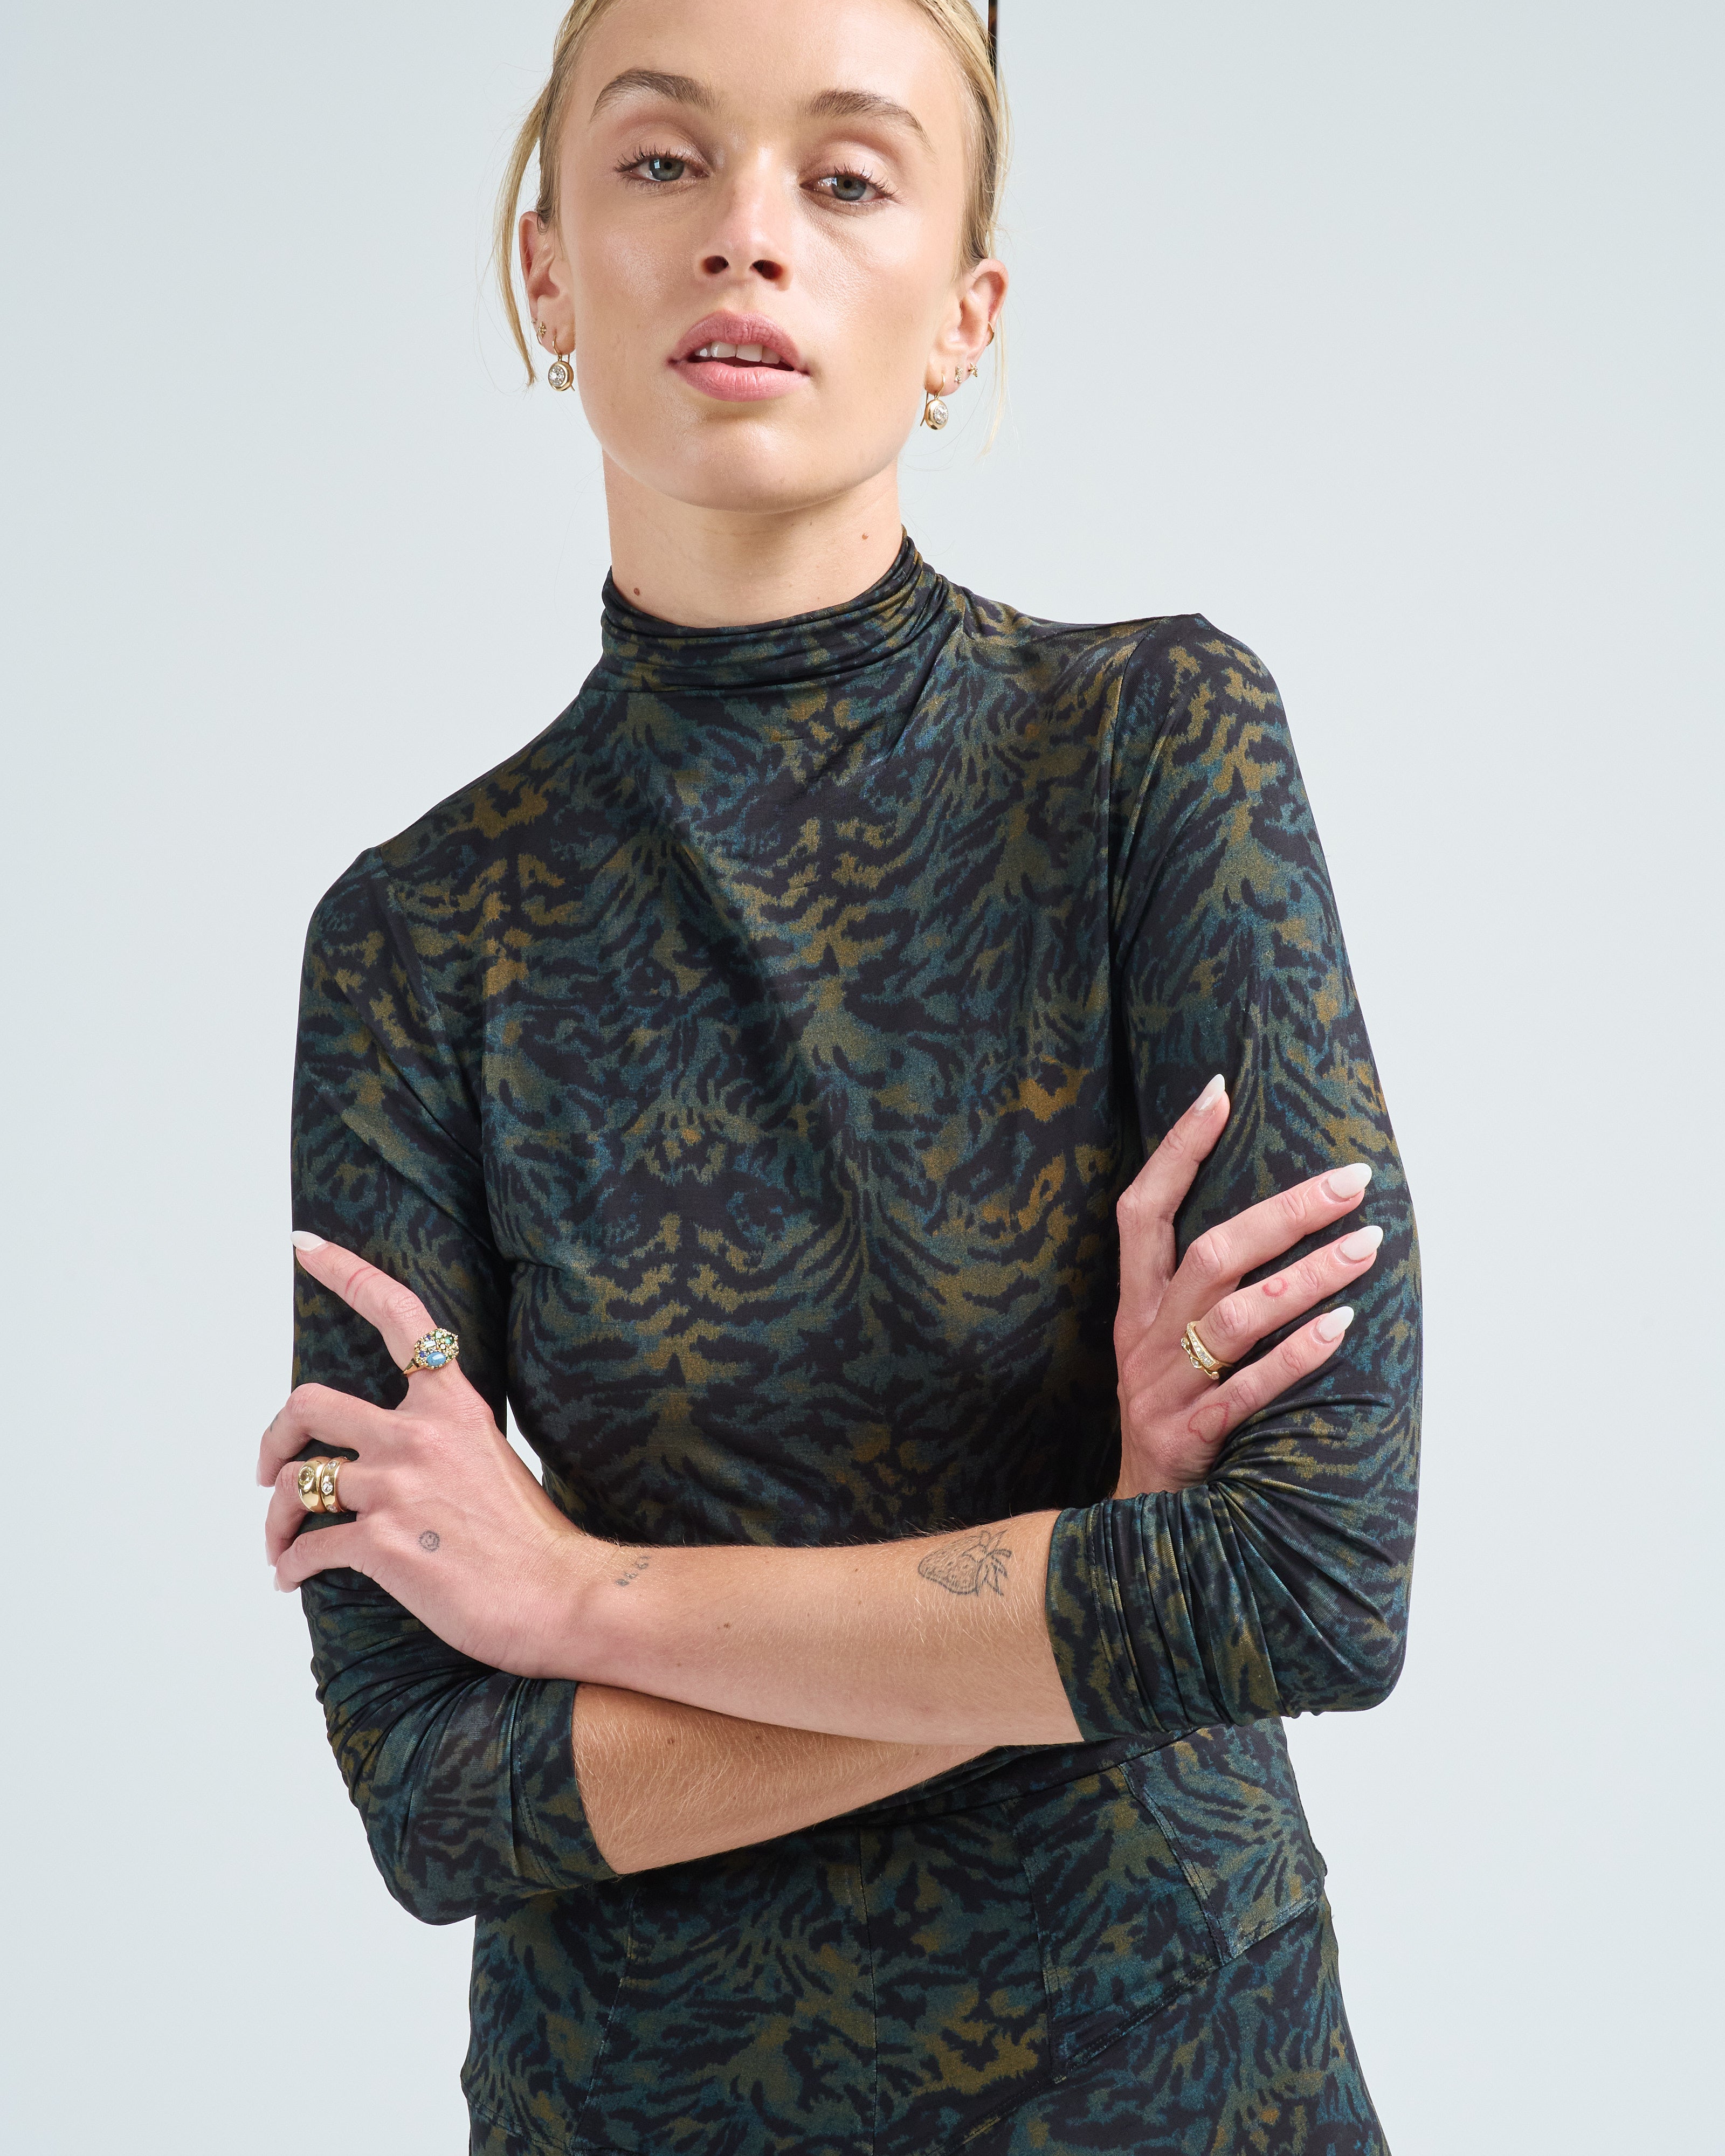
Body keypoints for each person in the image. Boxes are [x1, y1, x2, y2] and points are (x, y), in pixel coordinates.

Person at [258, 2, 1420, 2148]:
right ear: (545, 269)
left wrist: (585, 1599)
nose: (746, 232)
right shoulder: (413, 939)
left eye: (848, 174)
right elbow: (433, 1791)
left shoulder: (1151, 754)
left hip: (1179, 2091)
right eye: (660, 159)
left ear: (966, 312)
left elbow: (1304, 1583)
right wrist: (1101, 1563)